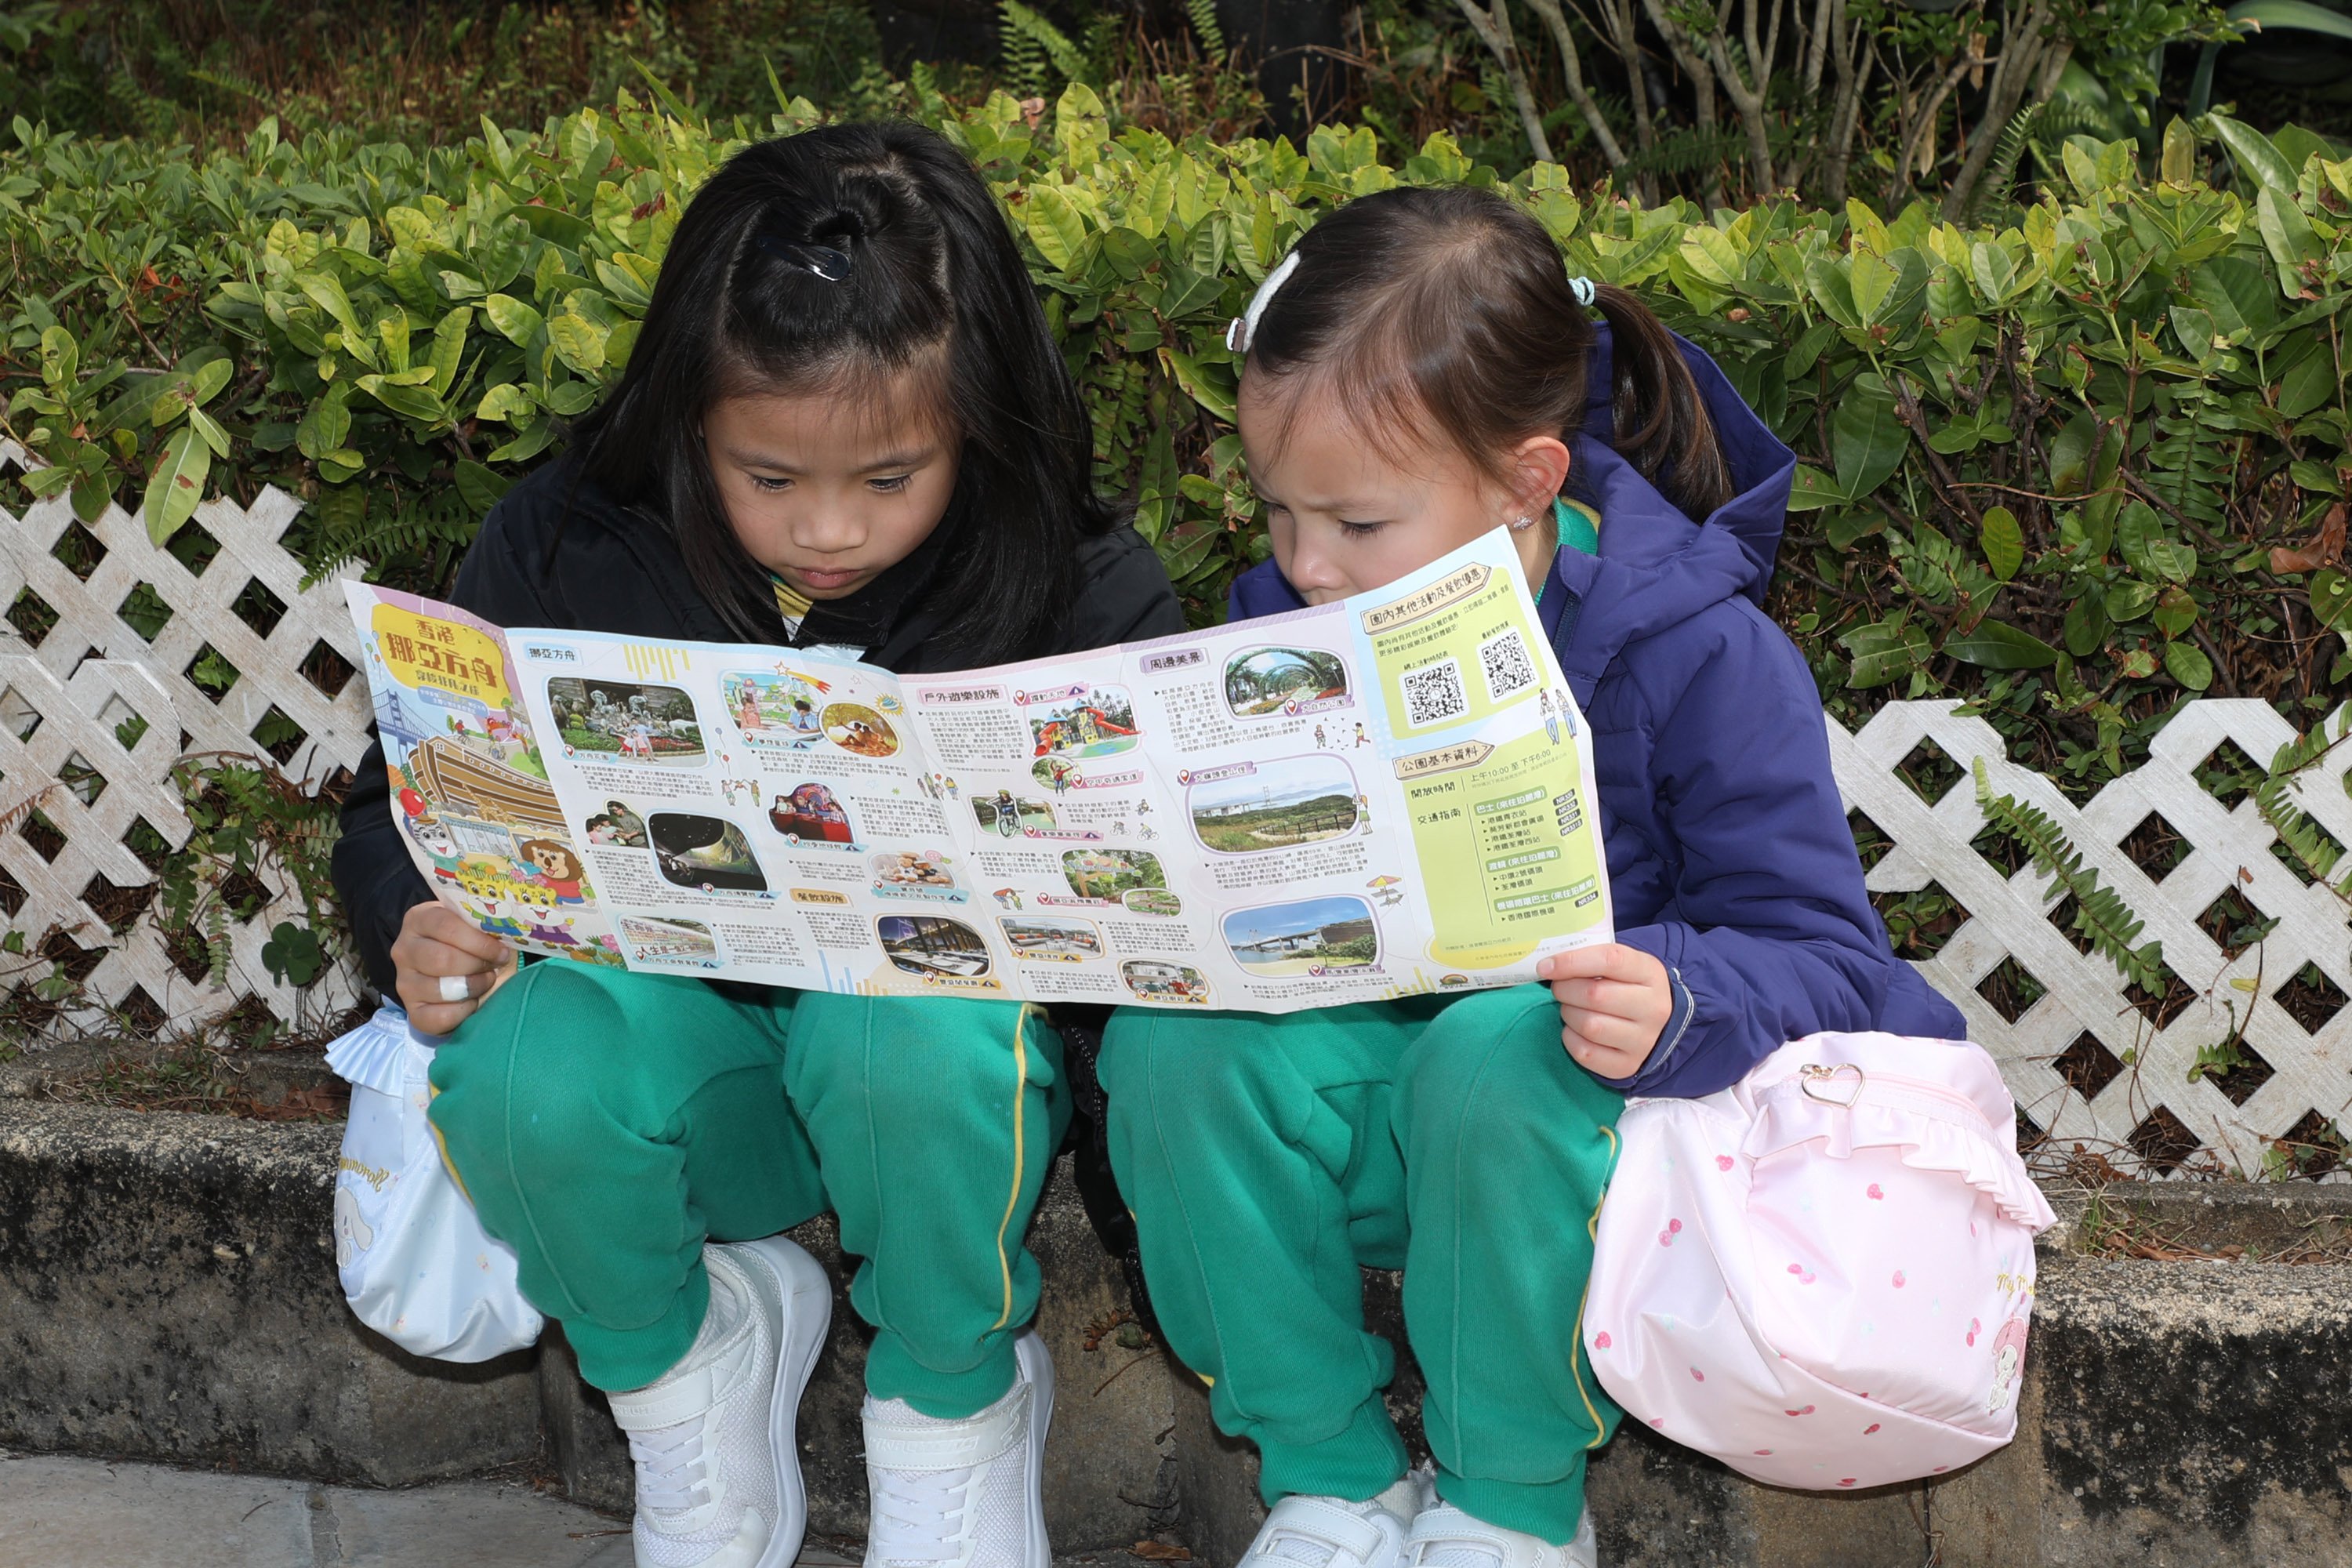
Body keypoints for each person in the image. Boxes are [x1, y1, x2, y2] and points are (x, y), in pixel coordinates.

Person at [332, 121, 1183, 1568]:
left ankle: (953, 1410)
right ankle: (681, 1373)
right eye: (769, 478)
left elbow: (1152, 911)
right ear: (688, 423)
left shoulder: (1076, 582)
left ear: (978, 422)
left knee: (910, 1024)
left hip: (936, 1111)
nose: (828, 532)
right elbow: (401, 802)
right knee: (521, 1064)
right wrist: (417, 912)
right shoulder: (570, 542)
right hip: (689, 1074)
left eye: (891, 477)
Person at [1098, 186, 1966, 1568]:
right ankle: (1331, 1482)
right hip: (1384, 1136)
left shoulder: (1702, 651)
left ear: (1527, 482)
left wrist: (1675, 993)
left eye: (1357, 523)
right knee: (1168, 1050)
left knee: (1495, 1051)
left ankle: (1511, 1504)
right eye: (1277, 512)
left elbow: (1835, 961)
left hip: (1610, 1150)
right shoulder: (1283, 634)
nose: (1305, 565)